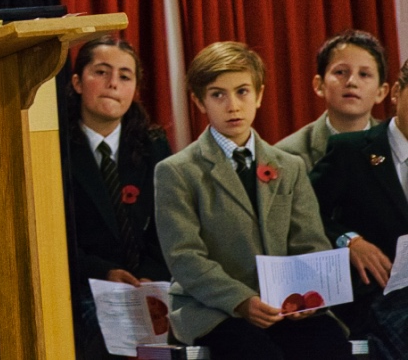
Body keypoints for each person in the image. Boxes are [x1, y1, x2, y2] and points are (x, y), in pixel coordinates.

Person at [154, 41, 351, 359]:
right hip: (213, 308)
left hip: (282, 305)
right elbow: (185, 257)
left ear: (259, 95)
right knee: (256, 352)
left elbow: (310, 242)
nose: (232, 105)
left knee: (328, 342)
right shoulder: (176, 171)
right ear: (199, 101)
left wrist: (303, 297)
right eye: (218, 94)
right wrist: (241, 300)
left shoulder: (288, 166)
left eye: (242, 91)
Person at [60, 35, 171, 359]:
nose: (113, 84)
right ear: (78, 82)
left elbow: (169, 222)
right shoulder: (56, 146)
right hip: (85, 285)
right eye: (101, 73)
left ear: (135, 90)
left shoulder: (154, 145)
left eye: (125, 76)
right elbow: (54, 236)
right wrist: (103, 272)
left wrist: (151, 276)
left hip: (148, 284)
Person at [309, 57, 408, 360]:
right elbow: (305, 216)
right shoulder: (350, 150)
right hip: (375, 295)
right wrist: (349, 240)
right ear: (396, 93)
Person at [278, 30, 389, 171]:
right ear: (319, 85)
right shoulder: (288, 155)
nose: (352, 82)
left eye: (364, 74)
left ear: (381, 92)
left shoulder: (396, 144)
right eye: (341, 72)